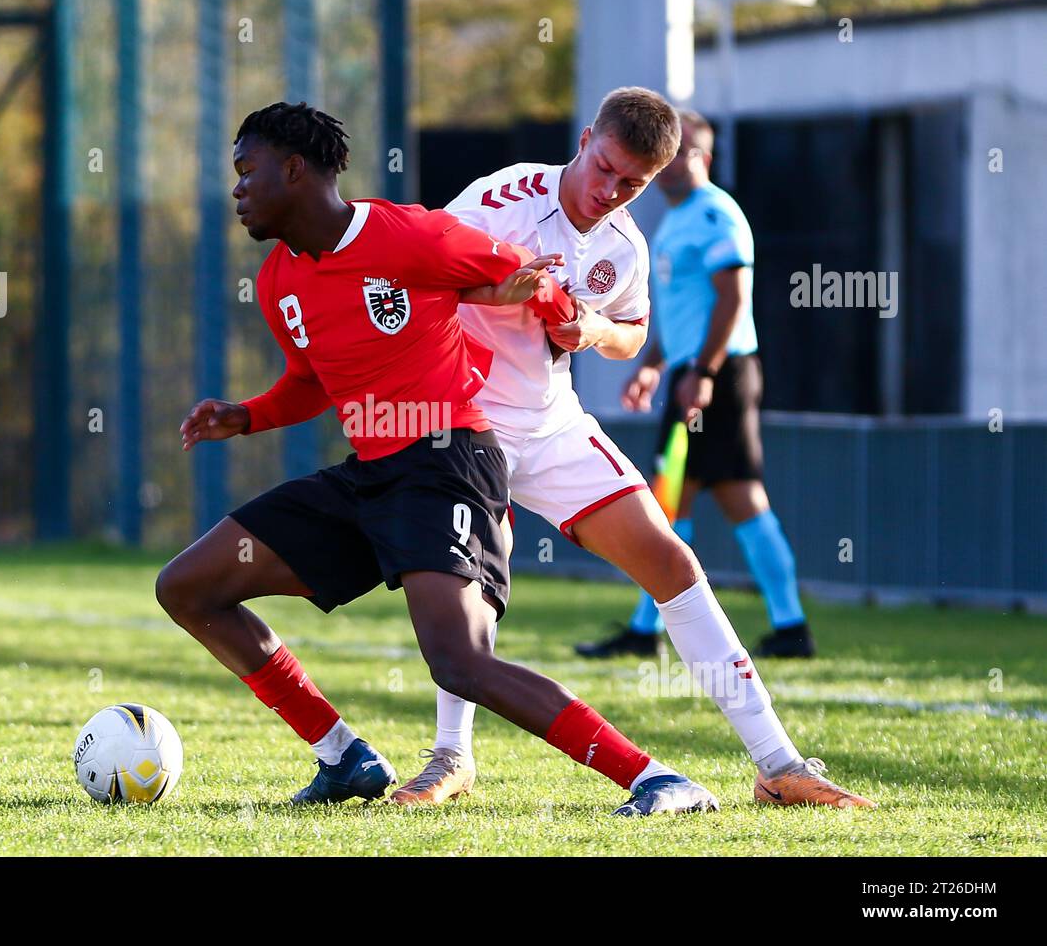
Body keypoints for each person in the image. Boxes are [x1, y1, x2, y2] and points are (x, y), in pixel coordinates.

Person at [155, 101, 718, 816]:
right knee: (187, 587)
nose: (237, 190)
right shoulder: (278, 281)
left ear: (294, 170)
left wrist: (536, 305)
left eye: (246, 171)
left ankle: (655, 779)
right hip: (370, 474)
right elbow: (311, 381)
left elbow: (528, 273)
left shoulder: (405, 232)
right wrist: (247, 416)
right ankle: (344, 757)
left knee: (459, 661)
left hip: (449, 462)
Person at [390, 90, 874, 813]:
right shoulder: (500, 198)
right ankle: (450, 760)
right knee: (472, 595)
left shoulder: (625, 244)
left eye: (632, 185)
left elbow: (630, 334)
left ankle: (779, 766)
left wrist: (585, 327)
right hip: (467, 420)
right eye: (606, 169)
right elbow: (419, 277)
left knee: (673, 563)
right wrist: (509, 291)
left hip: (554, 424)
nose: (610, 192)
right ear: (585, 140)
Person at [577, 109, 816, 661]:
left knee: (667, 500)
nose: (668, 165)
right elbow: (687, 310)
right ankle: (790, 627)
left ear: (701, 158)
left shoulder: (714, 213)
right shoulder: (675, 219)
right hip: (701, 372)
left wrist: (702, 373)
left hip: (719, 374)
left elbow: (732, 300)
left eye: (681, 153)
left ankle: (645, 632)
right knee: (738, 500)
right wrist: (656, 363)